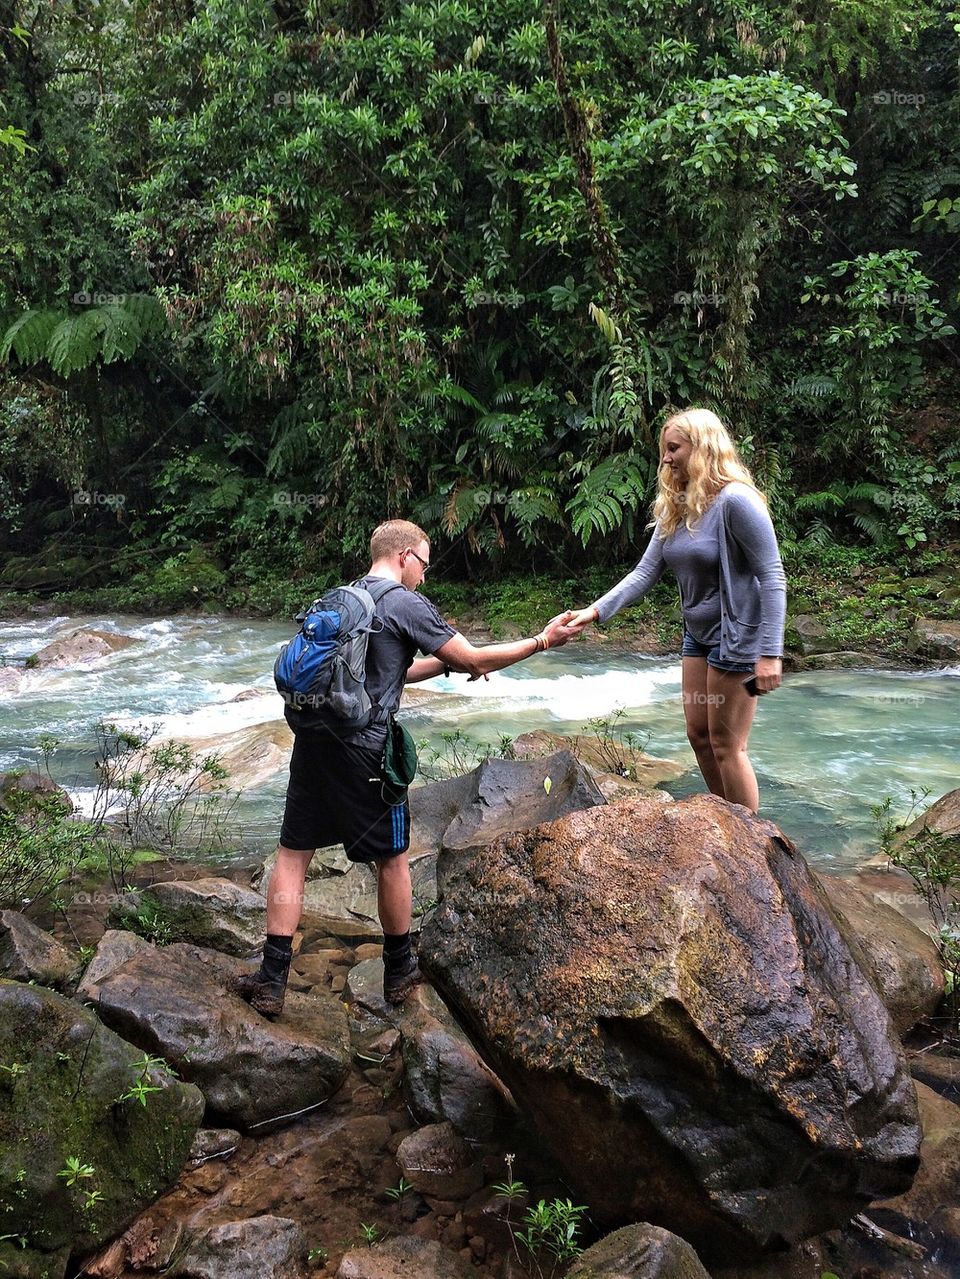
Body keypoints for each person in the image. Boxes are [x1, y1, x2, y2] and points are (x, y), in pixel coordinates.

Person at [235, 518, 578, 1017]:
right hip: (365, 751)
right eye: (424, 565)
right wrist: (542, 642)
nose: (424, 577)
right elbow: (477, 659)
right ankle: (399, 973)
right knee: (393, 859)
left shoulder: (347, 598)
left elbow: (385, 672)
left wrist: (443, 663)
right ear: (404, 557)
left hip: (313, 741)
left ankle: (270, 980)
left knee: (293, 855)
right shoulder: (404, 602)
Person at [568, 408, 786, 813]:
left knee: (727, 745)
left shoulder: (736, 501)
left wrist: (770, 652)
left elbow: (772, 576)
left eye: (674, 448)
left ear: (701, 447)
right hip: (698, 635)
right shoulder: (678, 503)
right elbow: (644, 573)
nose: (665, 458)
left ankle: (752, 838)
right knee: (699, 735)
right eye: (664, 449)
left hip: (735, 636)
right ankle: (725, 821)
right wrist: (593, 612)